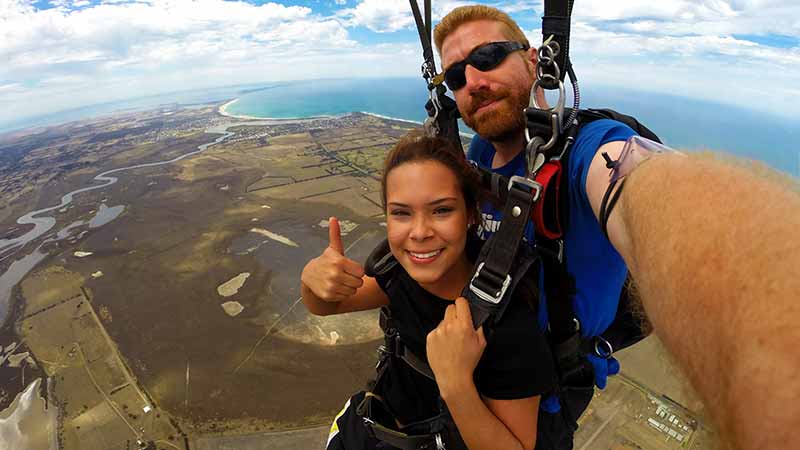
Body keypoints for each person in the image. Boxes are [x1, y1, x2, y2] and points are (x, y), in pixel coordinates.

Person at [433, 5, 800, 450]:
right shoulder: (478, 154)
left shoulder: (588, 148)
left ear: (533, 59)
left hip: (544, 401)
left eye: (489, 56)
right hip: (481, 364)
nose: (472, 81)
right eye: (455, 76)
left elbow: (648, 189)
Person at [301, 132, 557, 450]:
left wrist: (456, 384)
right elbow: (326, 306)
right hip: (371, 429)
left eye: (441, 210)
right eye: (401, 213)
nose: (420, 232)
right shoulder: (397, 274)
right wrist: (312, 280)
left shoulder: (508, 324)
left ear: (471, 216)